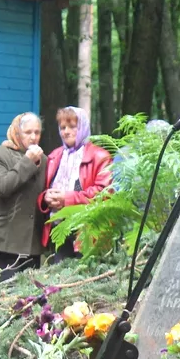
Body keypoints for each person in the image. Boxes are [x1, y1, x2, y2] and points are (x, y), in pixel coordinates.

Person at [0, 113, 47, 285]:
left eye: (37, 132)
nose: (33, 137)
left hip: (31, 241)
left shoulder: (44, 160)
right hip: (3, 240)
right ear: (17, 132)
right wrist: (28, 161)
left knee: (26, 300)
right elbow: (2, 187)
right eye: (28, 132)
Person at [38, 106, 112, 262]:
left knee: (84, 280)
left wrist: (67, 199)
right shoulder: (55, 156)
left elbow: (104, 193)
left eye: (72, 127)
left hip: (87, 231)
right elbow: (44, 187)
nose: (66, 132)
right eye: (62, 127)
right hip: (59, 229)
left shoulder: (100, 156)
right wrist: (47, 198)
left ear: (83, 127)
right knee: (59, 280)